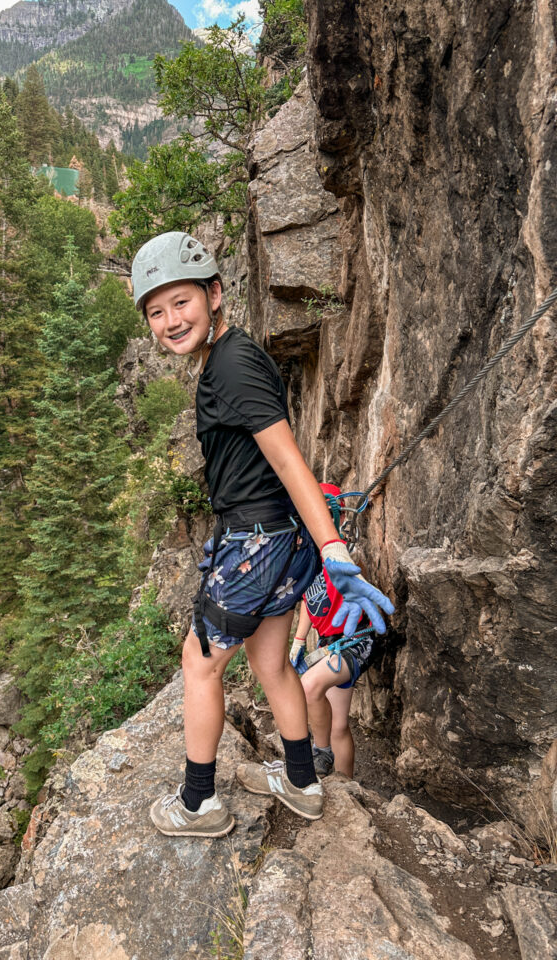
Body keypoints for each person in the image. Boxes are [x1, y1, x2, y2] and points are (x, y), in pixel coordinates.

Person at [130, 231, 394, 838]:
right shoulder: (231, 356)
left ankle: (198, 803)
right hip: (275, 541)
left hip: (257, 543)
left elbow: (289, 462)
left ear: (215, 294)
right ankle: (301, 780)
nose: (171, 320)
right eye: (157, 311)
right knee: (271, 662)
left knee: (199, 665)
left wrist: (333, 549)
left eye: (182, 303)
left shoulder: (232, 367)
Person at [290, 483, 374, 779]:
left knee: (309, 686)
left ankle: (321, 751)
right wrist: (299, 641)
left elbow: (351, 570)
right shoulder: (305, 559)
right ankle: (346, 787)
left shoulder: (338, 553)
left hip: (355, 640)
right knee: (339, 724)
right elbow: (307, 601)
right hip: (330, 642)